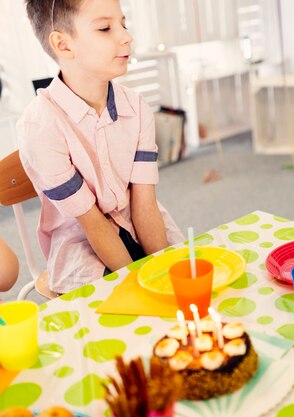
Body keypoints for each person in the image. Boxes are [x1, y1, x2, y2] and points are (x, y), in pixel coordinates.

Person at [17, 0, 184, 293]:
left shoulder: (137, 106)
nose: (125, 36)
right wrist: (139, 286)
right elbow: (92, 223)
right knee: (123, 302)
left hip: (139, 221)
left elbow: (144, 202)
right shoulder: (40, 126)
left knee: (183, 277)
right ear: (63, 45)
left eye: (123, 23)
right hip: (82, 240)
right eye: (105, 28)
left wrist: (158, 269)